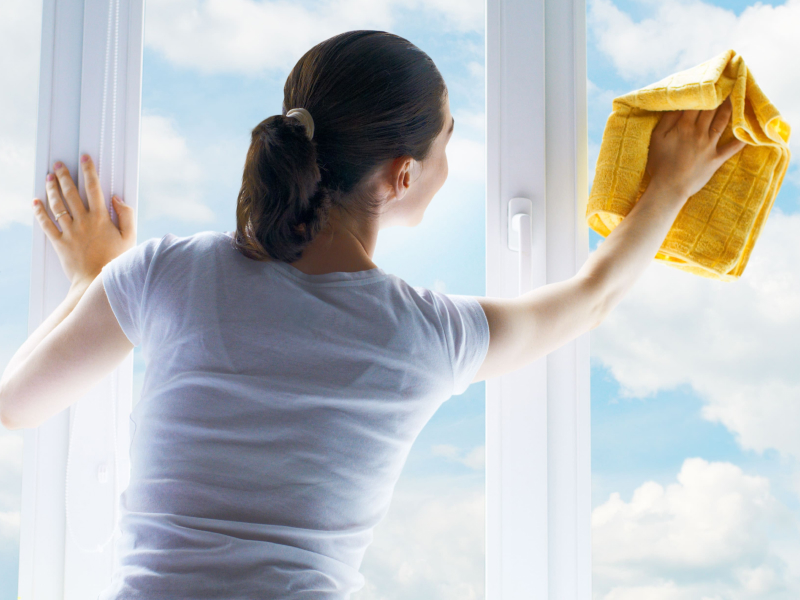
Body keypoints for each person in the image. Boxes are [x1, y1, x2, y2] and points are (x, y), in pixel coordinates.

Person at [0, 29, 745, 600]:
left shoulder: (164, 273)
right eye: (448, 143)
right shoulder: (422, 336)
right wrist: (669, 187)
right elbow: (593, 298)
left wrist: (93, 279)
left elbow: (17, 405)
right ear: (401, 175)